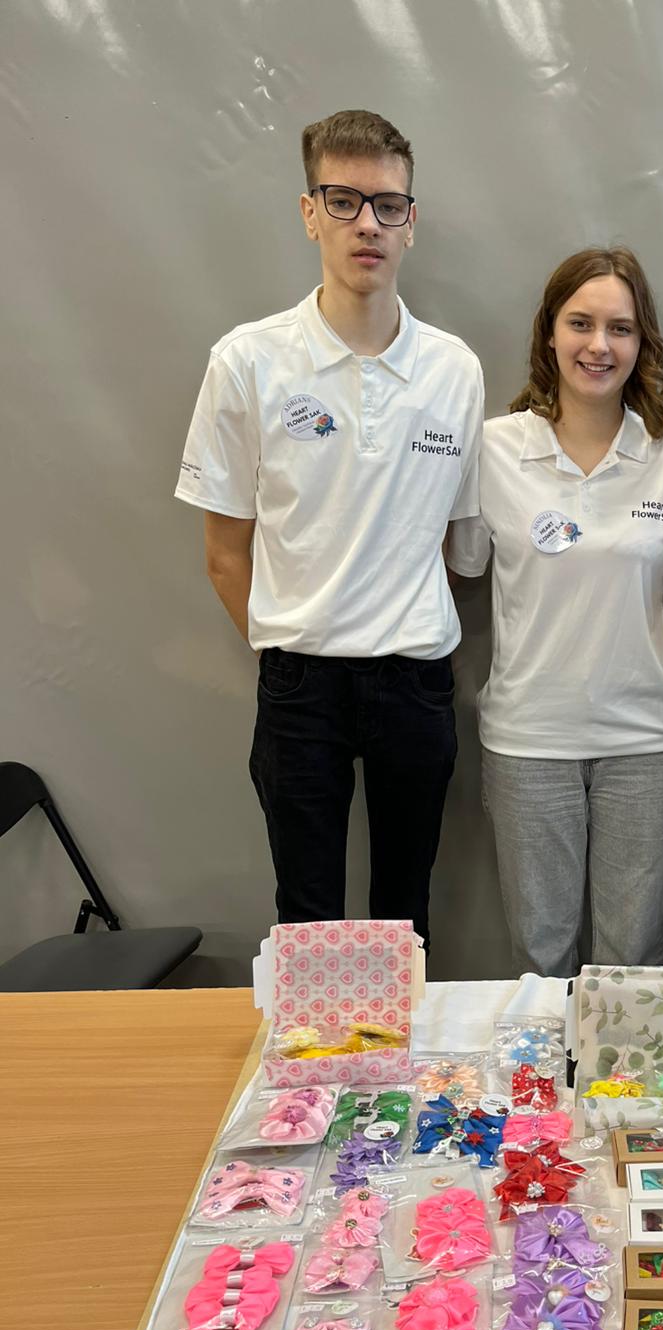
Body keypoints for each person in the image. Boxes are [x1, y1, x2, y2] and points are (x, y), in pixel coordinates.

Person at [176, 109, 483, 947]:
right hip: (300, 683)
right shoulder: (248, 361)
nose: (366, 225)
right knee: (307, 916)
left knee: (404, 914)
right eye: (343, 201)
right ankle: (310, 1045)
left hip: (415, 677)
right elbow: (224, 553)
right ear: (309, 213)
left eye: (388, 205)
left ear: (411, 222)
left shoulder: (453, 370)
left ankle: (400, 1042)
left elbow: (454, 542)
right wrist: (293, 642)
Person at [447, 247, 663, 976]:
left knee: (633, 963)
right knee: (540, 956)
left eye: (620, 328)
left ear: (642, 341)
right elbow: (459, 568)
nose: (599, 345)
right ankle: (547, 1062)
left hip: (646, 742)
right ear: (550, 332)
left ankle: (618, 1065)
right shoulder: (493, 449)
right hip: (529, 739)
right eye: (581, 323)